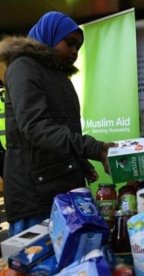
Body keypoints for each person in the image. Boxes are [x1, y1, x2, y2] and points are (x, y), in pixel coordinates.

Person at [0, 11, 115, 236]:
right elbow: (36, 127)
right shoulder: (23, 67)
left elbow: (63, 129)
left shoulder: (60, 77)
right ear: (49, 35)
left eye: (78, 48)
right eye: (70, 43)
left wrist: (80, 162)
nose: (74, 52)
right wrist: (94, 149)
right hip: (35, 195)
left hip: (60, 190)